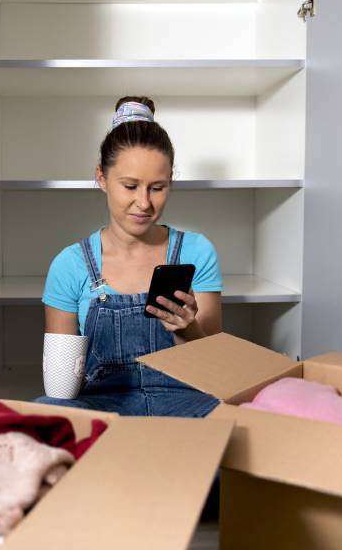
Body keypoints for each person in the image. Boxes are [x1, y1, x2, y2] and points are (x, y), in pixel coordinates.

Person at [35, 96, 223, 417]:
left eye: (157, 187)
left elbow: (216, 373)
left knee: (232, 418)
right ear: (101, 179)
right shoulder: (70, 265)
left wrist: (187, 328)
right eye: (130, 186)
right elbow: (62, 387)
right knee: (47, 409)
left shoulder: (197, 251)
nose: (144, 203)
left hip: (184, 399)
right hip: (104, 402)